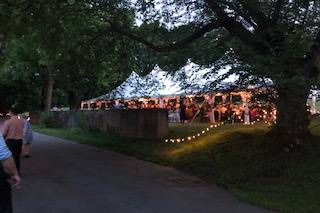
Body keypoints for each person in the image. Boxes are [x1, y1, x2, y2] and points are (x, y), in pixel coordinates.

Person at [0, 132, 21, 213]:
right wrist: (14, 174)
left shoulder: (8, 122)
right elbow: (4, 155)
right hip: (18, 141)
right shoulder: (22, 122)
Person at [2, 108, 24, 173]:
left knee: (9, 158)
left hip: (10, 141)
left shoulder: (8, 122)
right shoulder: (21, 121)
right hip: (19, 141)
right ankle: (17, 171)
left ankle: (9, 172)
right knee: (17, 157)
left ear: (11, 112)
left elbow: (3, 133)